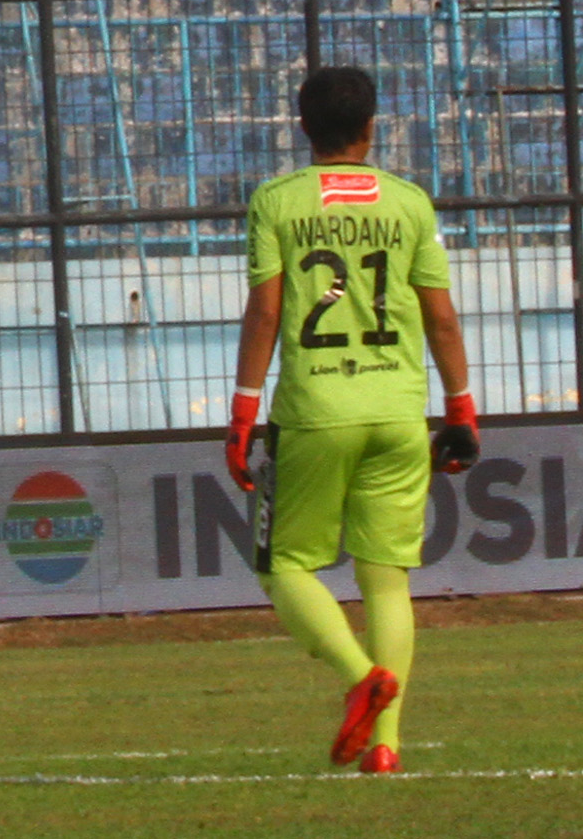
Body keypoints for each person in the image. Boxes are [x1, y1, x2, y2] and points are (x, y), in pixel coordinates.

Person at [227, 64, 480, 776]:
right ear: (372, 127)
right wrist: (461, 406)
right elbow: (440, 316)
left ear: (303, 126)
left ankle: (359, 676)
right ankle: (386, 745)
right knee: (387, 579)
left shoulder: (276, 200)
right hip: (398, 411)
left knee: (284, 566)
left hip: (316, 411)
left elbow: (267, 311)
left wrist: (243, 411)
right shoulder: (409, 202)